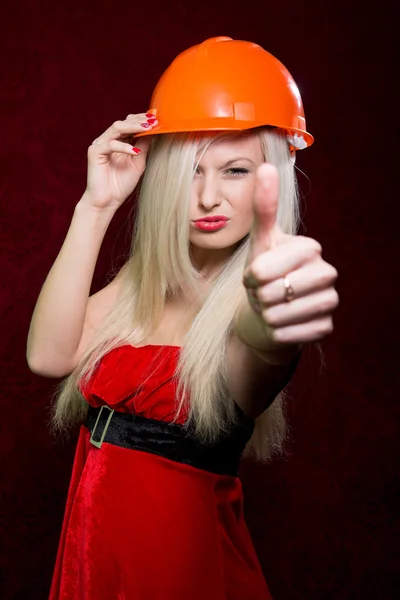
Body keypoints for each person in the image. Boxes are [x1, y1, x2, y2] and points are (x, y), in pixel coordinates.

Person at [27, 36, 339, 600]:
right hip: (94, 553)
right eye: (192, 169)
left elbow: (262, 341)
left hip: (179, 567)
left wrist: (275, 310)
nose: (208, 196)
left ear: (273, 178)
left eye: (236, 170)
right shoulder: (145, 281)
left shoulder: (254, 301)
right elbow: (48, 356)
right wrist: (95, 206)